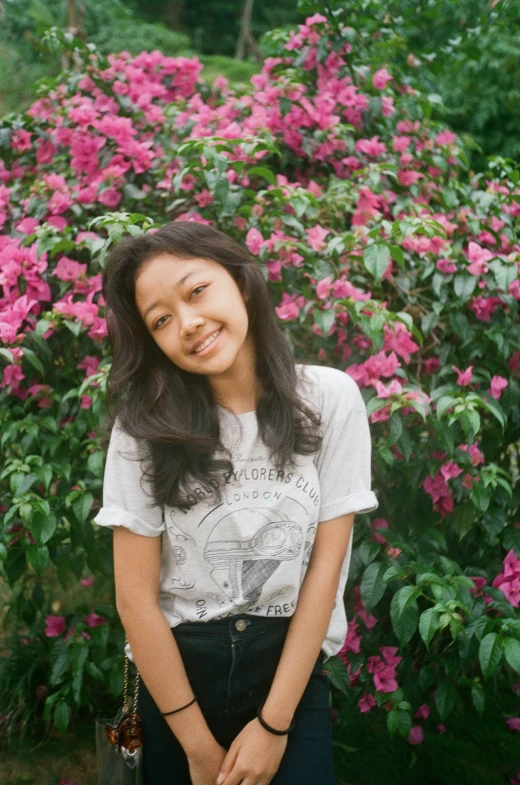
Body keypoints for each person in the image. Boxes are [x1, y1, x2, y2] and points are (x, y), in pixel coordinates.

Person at [93, 220, 378, 785]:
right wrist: (197, 747)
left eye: (196, 291)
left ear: (241, 282)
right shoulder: (142, 429)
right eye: (161, 320)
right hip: (177, 676)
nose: (189, 323)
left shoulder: (329, 399)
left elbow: (325, 573)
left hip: (288, 673)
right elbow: (136, 600)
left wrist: (273, 727)